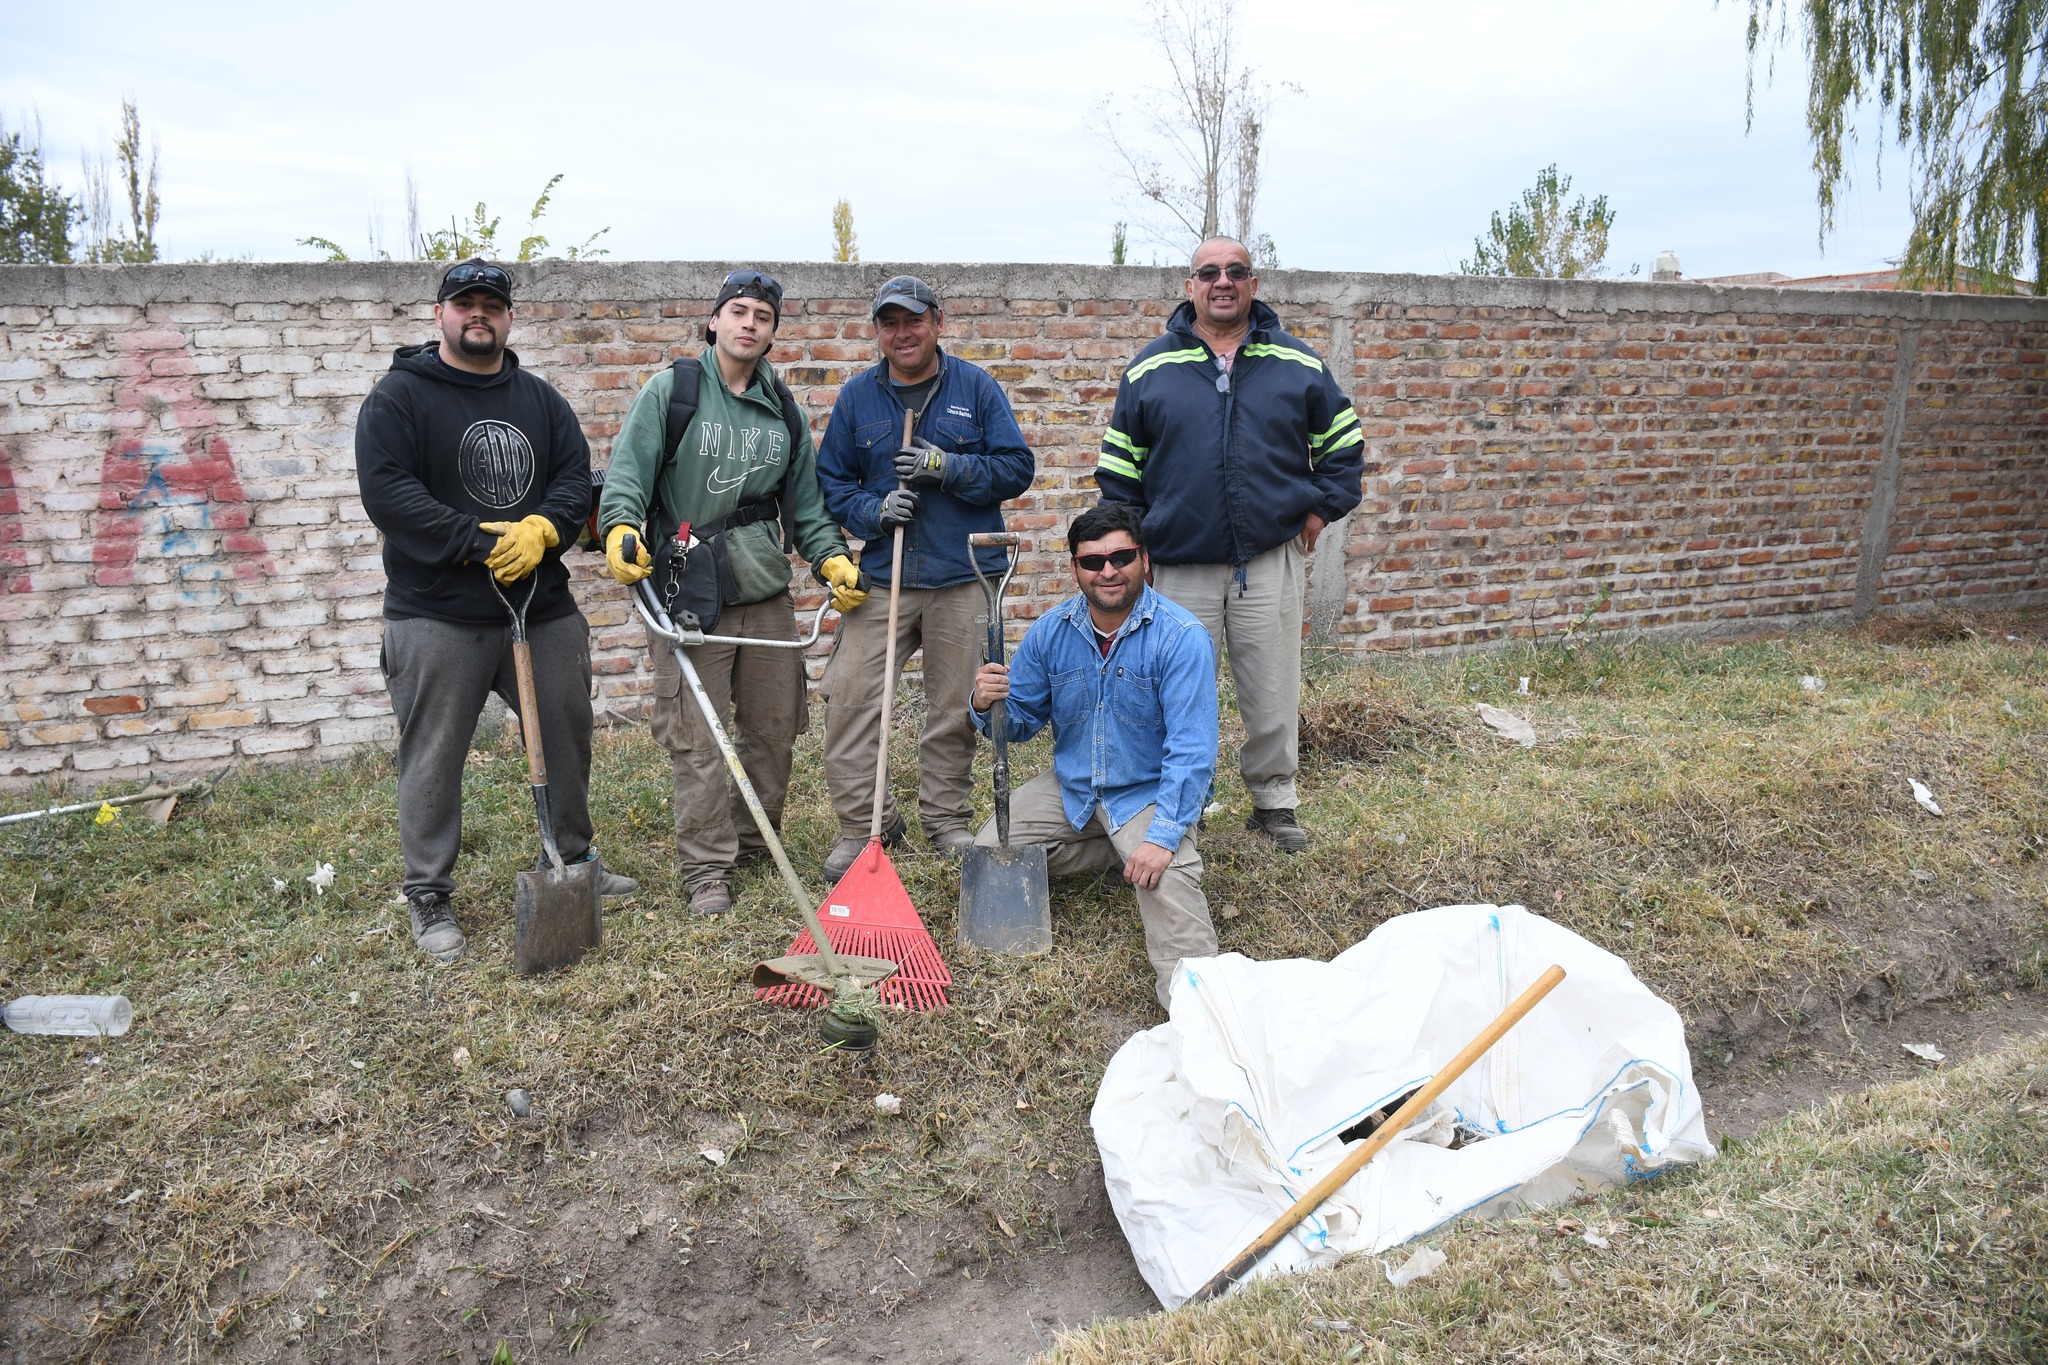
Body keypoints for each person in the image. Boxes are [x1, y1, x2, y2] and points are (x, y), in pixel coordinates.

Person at [356, 258, 635, 964]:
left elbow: (576, 479)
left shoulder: (540, 401)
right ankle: (428, 894)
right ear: (441, 313)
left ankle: (572, 857)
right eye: (464, 302)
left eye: (492, 303)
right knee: (433, 754)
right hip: (436, 612)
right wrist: (480, 543)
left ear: (509, 317)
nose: (478, 313)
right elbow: (391, 496)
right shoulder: (399, 399)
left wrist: (544, 528)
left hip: (540, 607)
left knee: (568, 732)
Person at [598, 269, 869, 916]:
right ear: (714, 320)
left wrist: (831, 559)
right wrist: (620, 532)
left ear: (774, 332)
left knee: (774, 728)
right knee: (699, 734)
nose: (749, 323)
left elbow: (805, 506)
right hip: (690, 587)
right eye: (738, 311)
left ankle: (752, 842)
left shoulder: (783, 410)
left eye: (763, 316)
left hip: (763, 588)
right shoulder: (674, 392)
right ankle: (706, 870)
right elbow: (627, 479)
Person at [1096, 236, 1366, 852]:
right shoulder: (1149, 369)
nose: (1223, 281)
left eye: (1236, 272)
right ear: (1189, 285)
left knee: (1272, 684)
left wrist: (1320, 513)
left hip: (1267, 559)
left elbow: (1343, 448)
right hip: (1179, 564)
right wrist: (1134, 549)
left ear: (1253, 283)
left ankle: (1274, 801)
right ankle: (1177, 808)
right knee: (1176, 692)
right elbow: (1118, 473)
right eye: (1209, 272)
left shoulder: (1298, 364)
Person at [815, 275, 1035, 881]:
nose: (902, 333)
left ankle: (945, 822)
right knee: (850, 699)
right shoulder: (859, 398)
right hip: (884, 576)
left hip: (962, 574)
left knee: (954, 707)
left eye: (913, 320)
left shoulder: (975, 387)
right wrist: (874, 511)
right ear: (878, 332)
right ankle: (865, 826)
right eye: (890, 323)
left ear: (938, 322)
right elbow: (831, 484)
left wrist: (948, 465)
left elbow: (1018, 468)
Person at [968, 504, 1218, 1010]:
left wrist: (1163, 837)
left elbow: (1192, 750)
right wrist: (985, 703)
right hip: (1075, 786)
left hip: (1147, 790)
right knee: (992, 845)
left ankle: (1198, 1014)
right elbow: (1019, 724)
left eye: (1121, 556)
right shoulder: (1051, 632)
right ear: (1075, 568)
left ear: (1143, 560)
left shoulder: (1181, 637)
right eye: (1093, 561)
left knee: (1164, 877)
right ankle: (1115, 848)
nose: (1108, 571)